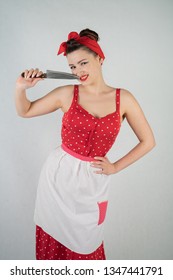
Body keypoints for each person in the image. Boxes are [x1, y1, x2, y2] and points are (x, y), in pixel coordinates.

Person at [15, 28, 155, 260]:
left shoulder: (124, 98)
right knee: (54, 244)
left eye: (83, 63)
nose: (78, 71)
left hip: (92, 182)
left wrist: (115, 167)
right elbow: (25, 111)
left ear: (99, 58)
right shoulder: (66, 93)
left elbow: (148, 141)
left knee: (86, 244)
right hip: (58, 180)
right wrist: (21, 87)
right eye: (72, 67)